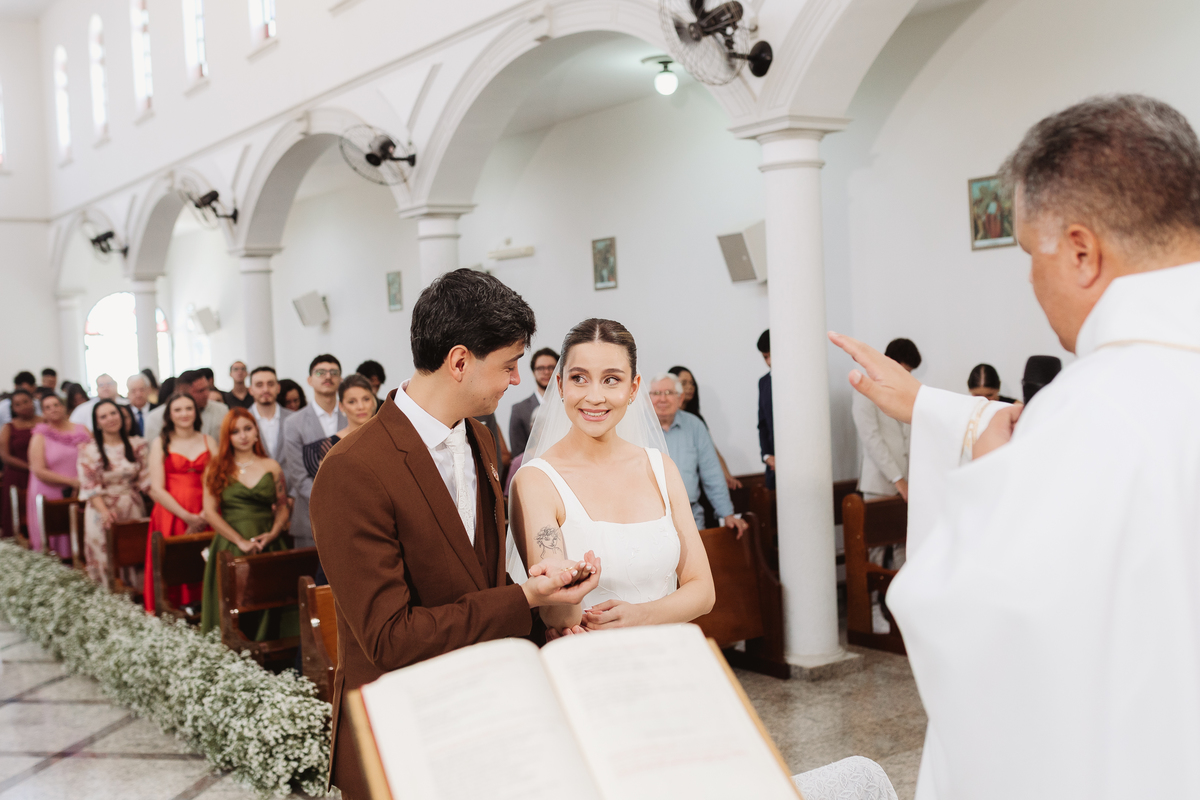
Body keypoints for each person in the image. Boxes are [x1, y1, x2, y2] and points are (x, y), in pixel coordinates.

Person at [831, 94, 1200, 800]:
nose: (1031, 279)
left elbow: (977, 633)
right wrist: (930, 408)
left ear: (1082, 252)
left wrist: (990, 483)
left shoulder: (1088, 409)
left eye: (1031, 254)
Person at [309, 269, 600, 800]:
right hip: (401, 729)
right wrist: (524, 599)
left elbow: (476, 579)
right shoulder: (353, 468)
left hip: (481, 707)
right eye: (509, 364)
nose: (517, 380)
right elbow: (390, 638)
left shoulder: (481, 439)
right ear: (460, 361)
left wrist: (544, 614)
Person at [511, 320, 714, 638]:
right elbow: (558, 618)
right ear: (560, 385)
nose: (594, 396)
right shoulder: (536, 481)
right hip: (591, 655)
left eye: (611, 380)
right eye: (579, 378)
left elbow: (703, 591)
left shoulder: (660, 468)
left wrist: (643, 615)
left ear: (633, 388)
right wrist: (570, 588)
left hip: (669, 652)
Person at [199, 408, 291, 635]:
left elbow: (282, 506)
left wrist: (274, 533)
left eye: (247, 429)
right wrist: (240, 541)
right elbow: (210, 512)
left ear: (256, 432)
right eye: (235, 431)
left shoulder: (271, 466)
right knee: (233, 604)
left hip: (268, 542)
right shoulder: (216, 467)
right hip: (230, 544)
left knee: (271, 602)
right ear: (227, 437)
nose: (243, 436)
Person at [648, 373, 748, 537]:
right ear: (648, 399)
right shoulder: (636, 429)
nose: (662, 399)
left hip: (690, 515)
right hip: (648, 519)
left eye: (669, 393)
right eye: (657, 393)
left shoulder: (695, 426)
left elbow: (712, 473)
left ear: (680, 398)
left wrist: (727, 514)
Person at [144, 392, 216, 613]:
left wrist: (205, 514)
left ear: (196, 412)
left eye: (188, 408)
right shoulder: (160, 443)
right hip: (172, 514)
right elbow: (157, 488)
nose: (184, 414)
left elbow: (219, 480)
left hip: (207, 512)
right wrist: (188, 517)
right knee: (173, 567)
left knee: (205, 565)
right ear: (169, 415)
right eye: (178, 409)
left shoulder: (209, 441)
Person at [78, 399, 149, 588]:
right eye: (103, 416)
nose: (110, 419)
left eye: (113, 413)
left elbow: (146, 480)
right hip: (101, 509)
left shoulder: (137, 445)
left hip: (132, 506)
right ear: (97, 423)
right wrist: (104, 512)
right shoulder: (89, 450)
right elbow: (90, 486)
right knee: (106, 560)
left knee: (134, 556)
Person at [281, 356, 345, 550]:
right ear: (310, 380)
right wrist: (331, 504)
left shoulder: (352, 417)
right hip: (310, 519)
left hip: (351, 515)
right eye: (320, 372)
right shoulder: (293, 423)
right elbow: (298, 476)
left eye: (334, 372)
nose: (328, 376)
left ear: (340, 379)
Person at [852, 338, 920, 503]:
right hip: (878, 485)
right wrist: (898, 479)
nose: (907, 377)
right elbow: (871, 438)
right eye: (904, 371)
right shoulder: (865, 389)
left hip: (908, 484)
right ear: (890, 363)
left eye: (909, 373)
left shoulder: (905, 391)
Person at [27, 394, 91, 557]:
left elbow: (94, 456)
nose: (53, 409)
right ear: (43, 413)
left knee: (82, 531)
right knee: (57, 532)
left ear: (63, 407)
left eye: (56, 405)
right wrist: (71, 481)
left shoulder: (82, 429)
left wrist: (83, 481)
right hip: (51, 492)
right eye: (47, 407)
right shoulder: (40, 435)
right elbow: (38, 470)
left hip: (82, 489)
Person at [668, 365, 742, 491]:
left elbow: (712, 451)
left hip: (697, 484)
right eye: (684, 383)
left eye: (692, 383)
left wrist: (727, 476)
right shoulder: (664, 418)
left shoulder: (696, 420)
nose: (690, 387)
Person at [300, 374, 375, 495]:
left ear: (373, 401)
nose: (361, 407)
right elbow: (326, 491)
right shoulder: (329, 446)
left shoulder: (387, 439)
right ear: (341, 406)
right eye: (352, 402)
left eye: (366, 399)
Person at [142, 370, 229, 442]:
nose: (207, 394)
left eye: (207, 389)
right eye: (200, 391)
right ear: (182, 392)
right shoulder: (155, 418)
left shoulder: (221, 410)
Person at [0, 389, 41, 539]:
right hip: (18, 475)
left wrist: (40, 469)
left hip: (43, 475)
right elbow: (5, 456)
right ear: (13, 408)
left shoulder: (44, 422)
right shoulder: (8, 427)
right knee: (16, 515)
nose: (23, 406)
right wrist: (30, 467)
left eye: (26, 402)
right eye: (18, 404)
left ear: (32, 402)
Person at [508, 347, 558, 456]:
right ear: (533, 372)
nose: (546, 372)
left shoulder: (567, 405)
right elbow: (518, 454)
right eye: (540, 368)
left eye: (551, 368)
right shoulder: (519, 410)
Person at [248, 366, 292, 461]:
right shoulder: (242, 420)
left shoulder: (294, 418)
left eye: (270, 384)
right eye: (259, 385)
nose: (266, 389)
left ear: (278, 388)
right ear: (251, 390)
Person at [756, 330, 775, 489]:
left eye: (771, 355)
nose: (769, 362)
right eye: (765, 357)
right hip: (773, 466)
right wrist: (767, 455)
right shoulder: (764, 382)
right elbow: (762, 423)